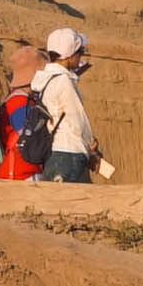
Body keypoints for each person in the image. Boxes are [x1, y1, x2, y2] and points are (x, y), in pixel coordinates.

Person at [30, 27, 103, 184]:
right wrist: (92, 149)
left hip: (52, 155)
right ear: (69, 55)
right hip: (70, 155)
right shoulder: (63, 81)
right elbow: (78, 120)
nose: (81, 56)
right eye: (80, 51)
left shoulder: (44, 81)